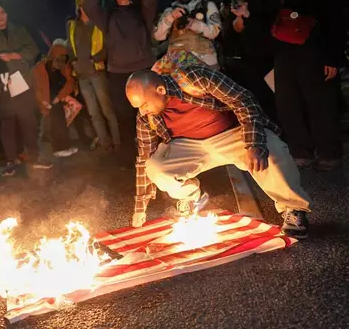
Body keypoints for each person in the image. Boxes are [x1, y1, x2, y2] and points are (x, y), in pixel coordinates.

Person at [127, 52, 311, 239]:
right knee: (155, 166)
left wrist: (254, 144)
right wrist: (140, 207)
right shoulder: (145, 117)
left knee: (271, 151)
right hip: (190, 147)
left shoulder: (193, 77)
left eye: (144, 104)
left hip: (231, 134)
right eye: (138, 107)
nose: (142, 111)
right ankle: (190, 198)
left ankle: (293, 209)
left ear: (160, 90)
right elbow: (144, 157)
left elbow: (243, 99)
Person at [271, 0, 345, 171]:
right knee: (289, 104)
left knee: (320, 104)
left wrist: (333, 58)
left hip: (315, 54)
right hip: (286, 55)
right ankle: (301, 150)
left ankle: (329, 152)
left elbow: (336, 24)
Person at [82, 0, 157, 160]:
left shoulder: (142, 11)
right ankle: (128, 157)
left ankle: (155, 152)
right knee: (123, 116)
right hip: (118, 73)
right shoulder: (107, 16)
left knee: (151, 113)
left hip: (143, 69)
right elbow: (87, 5)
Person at [0, 0, 52, 176]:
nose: (0, 16)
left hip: (21, 80)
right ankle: (11, 160)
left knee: (28, 120)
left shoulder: (19, 30)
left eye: (3, 12)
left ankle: (34, 155)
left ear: (7, 14)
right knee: (6, 123)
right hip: (1, 85)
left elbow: (32, 50)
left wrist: (14, 55)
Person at [228, 0, 280, 124]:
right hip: (252, 59)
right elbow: (237, 28)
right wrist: (240, 15)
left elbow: (275, 21)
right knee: (263, 103)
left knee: (285, 99)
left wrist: (249, 15)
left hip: (277, 55)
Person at [67, 0, 120, 151]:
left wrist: (95, 59)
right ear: (80, 6)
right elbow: (70, 47)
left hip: (97, 72)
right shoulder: (73, 25)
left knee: (107, 110)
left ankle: (117, 142)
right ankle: (104, 142)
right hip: (82, 75)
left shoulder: (99, 24)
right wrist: (74, 62)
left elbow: (107, 47)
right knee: (93, 112)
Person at [154, 0, 222, 70]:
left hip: (206, 62)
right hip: (177, 64)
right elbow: (158, 36)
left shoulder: (207, 5)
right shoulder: (170, 10)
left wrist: (196, 25)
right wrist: (170, 18)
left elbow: (215, 32)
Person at [34, 43, 79, 158]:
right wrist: (44, 101)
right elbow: (35, 87)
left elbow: (70, 83)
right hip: (47, 100)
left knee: (60, 121)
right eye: (57, 60)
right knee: (55, 121)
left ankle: (63, 146)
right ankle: (59, 149)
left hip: (58, 98)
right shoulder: (40, 68)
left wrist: (59, 97)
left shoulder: (64, 65)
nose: (59, 64)